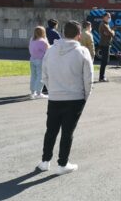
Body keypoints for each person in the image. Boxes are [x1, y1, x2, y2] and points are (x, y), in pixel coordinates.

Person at [37, 21, 93, 175]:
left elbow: (45, 74)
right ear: (78, 35)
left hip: (55, 97)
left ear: (63, 32)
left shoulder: (51, 51)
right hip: (75, 97)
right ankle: (63, 163)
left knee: (51, 130)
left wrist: (53, 90)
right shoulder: (82, 52)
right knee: (67, 132)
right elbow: (88, 78)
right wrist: (85, 96)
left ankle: (45, 161)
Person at [29, 26, 50, 100]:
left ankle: (32, 92)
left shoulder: (32, 39)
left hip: (32, 59)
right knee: (40, 76)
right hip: (40, 60)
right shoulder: (43, 41)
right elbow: (48, 50)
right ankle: (38, 93)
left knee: (33, 76)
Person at [98, 12, 115, 82]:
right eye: (108, 17)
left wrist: (110, 32)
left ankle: (102, 76)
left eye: (110, 17)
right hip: (105, 44)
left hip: (106, 44)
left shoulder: (106, 24)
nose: (109, 18)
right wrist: (112, 31)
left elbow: (109, 33)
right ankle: (101, 77)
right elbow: (111, 34)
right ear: (104, 17)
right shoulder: (104, 25)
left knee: (105, 61)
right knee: (104, 61)